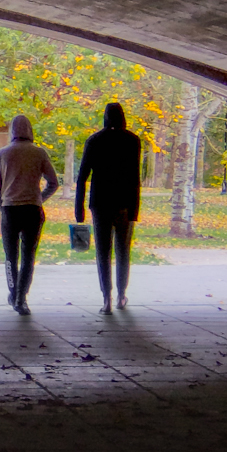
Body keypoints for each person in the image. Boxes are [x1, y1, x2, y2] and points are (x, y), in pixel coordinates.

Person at [74, 101, 143, 314]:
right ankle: (121, 295)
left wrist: (79, 209)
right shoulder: (132, 140)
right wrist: (135, 209)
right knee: (123, 251)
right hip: (124, 203)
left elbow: (82, 176)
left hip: (100, 203)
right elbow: (135, 177)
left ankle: (106, 298)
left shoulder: (95, 140)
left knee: (103, 252)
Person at [0, 114, 59, 315]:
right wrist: (39, 198)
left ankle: (12, 293)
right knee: (28, 256)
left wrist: (3, 205)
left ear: (12, 130)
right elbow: (53, 183)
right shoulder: (39, 153)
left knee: (10, 256)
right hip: (32, 210)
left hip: (10, 210)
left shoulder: (2, 154)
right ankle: (22, 298)